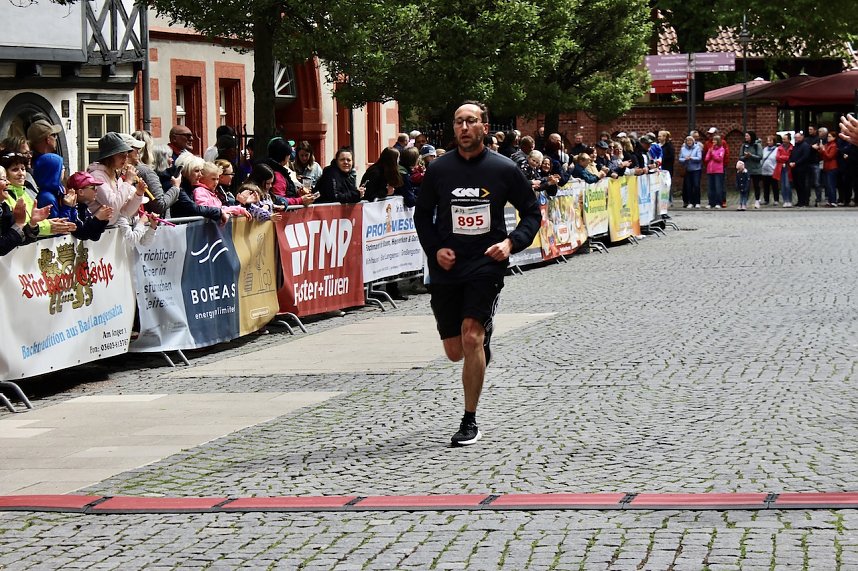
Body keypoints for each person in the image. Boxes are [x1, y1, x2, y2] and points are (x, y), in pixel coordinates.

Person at [414, 101, 540, 447]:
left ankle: (469, 420)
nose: (464, 127)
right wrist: (435, 249)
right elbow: (422, 215)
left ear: (484, 126)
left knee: (471, 337)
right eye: (458, 122)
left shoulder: (503, 169)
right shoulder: (439, 170)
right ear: (453, 128)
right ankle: (481, 340)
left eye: (471, 121)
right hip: (447, 265)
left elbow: (532, 213)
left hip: (486, 263)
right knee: (455, 351)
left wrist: (511, 244)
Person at [1, 152, 76, 238]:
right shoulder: (4, 196)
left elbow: (33, 221)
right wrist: (48, 226)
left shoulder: (25, 193)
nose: (21, 173)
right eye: (15, 170)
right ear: (5, 174)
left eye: (23, 169)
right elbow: (18, 226)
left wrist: (49, 223)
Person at [87, 133, 146, 225]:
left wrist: (138, 194)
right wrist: (128, 181)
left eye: (126, 153)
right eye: (121, 153)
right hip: (96, 233)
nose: (126, 157)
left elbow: (124, 213)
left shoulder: (115, 177)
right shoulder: (96, 176)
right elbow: (112, 205)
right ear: (110, 156)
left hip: (110, 232)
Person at [0, 165, 49, 255]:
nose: (8, 182)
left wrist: (32, 223)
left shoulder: (4, 206)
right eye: (3, 179)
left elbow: (20, 240)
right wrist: (19, 223)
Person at [740, 131, 763, 208]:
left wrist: (751, 155)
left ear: (751, 136)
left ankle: (757, 200)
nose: (746, 137)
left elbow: (760, 157)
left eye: (747, 136)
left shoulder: (757, 145)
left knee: (756, 185)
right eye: (745, 136)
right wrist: (745, 157)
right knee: (746, 186)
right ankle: (745, 201)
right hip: (747, 169)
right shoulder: (744, 145)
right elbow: (740, 157)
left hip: (756, 169)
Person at [789, 131, 812, 207]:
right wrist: (791, 162)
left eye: (797, 137)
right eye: (795, 137)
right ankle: (800, 201)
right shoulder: (795, 146)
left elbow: (805, 157)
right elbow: (792, 155)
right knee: (797, 186)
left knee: (803, 185)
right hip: (795, 169)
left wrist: (796, 163)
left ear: (802, 137)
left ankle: (804, 201)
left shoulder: (805, 146)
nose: (796, 139)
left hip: (802, 169)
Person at [678, 135, 702, 208]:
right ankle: (690, 202)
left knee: (696, 185)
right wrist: (685, 159)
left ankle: (697, 202)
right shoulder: (683, 149)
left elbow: (699, 158)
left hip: (696, 169)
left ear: (693, 141)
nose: (689, 142)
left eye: (690, 140)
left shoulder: (697, 148)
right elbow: (680, 159)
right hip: (688, 169)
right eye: (688, 141)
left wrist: (691, 158)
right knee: (689, 186)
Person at [704, 135, 726, 209]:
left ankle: (718, 202)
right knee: (710, 187)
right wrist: (710, 153)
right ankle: (711, 203)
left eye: (715, 140)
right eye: (713, 140)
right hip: (710, 170)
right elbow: (706, 159)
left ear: (718, 141)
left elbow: (719, 159)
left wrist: (713, 154)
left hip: (718, 171)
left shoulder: (721, 149)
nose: (713, 142)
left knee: (718, 187)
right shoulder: (710, 149)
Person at [820, 130, 839, 207]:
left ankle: (833, 200)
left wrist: (823, 150)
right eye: (828, 136)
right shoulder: (828, 145)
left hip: (832, 166)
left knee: (831, 184)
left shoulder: (834, 145)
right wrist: (821, 150)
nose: (828, 138)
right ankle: (829, 200)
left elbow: (829, 156)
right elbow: (823, 156)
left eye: (830, 136)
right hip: (826, 166)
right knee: (827, 185)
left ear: (834, 138)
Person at [775, 133, 793, 207]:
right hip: (781, 168)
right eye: (783, 139)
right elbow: (777, 157)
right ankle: (785, 200)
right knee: (782, 185)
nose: (783, 141)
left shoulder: (792, 148)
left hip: (789, 168)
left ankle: (789, 200)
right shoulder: (779, 148)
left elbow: (790, 157)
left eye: (785, 139)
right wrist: (786, 157)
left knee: (788, 185)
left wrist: (783, 157)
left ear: (789, 140)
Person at [760, 135, 779, 206]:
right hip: (764, 171)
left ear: (774, 141)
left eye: (770, 140)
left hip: (773, 170)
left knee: (775, 186)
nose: (768, 142)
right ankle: (766, 200)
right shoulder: (765, 149)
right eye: (768, 140)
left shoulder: (777, 150)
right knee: (766, 186)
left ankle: (776, 200)